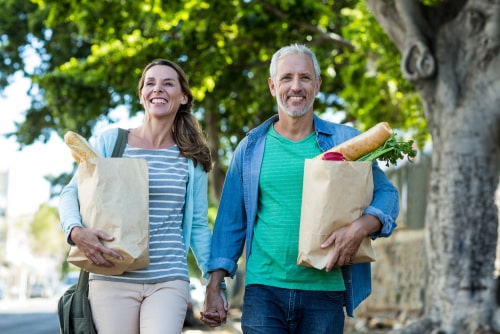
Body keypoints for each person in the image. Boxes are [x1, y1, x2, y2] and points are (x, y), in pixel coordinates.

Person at [200, 44, 399, 333]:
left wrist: (359, 229)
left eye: (305, 78)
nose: (296, 86)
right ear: (272, 86)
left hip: (325, 289)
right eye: (286, 78)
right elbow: (231, 221)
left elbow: (388, 195)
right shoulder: (251, 148)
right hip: (264, 291)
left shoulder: (347, 142)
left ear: (317, 85)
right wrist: (214, 285)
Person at [59, 59, 213, 334]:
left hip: (169, 279)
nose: (158, 89)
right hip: (112, 275)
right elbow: (72, 192)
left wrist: (214, 283)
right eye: (150, 83)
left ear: (183, 97)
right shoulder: (112, 142)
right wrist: (75, 230)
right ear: (142, 95)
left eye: (168, 84)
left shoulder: (191, 158)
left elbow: (200, 225)